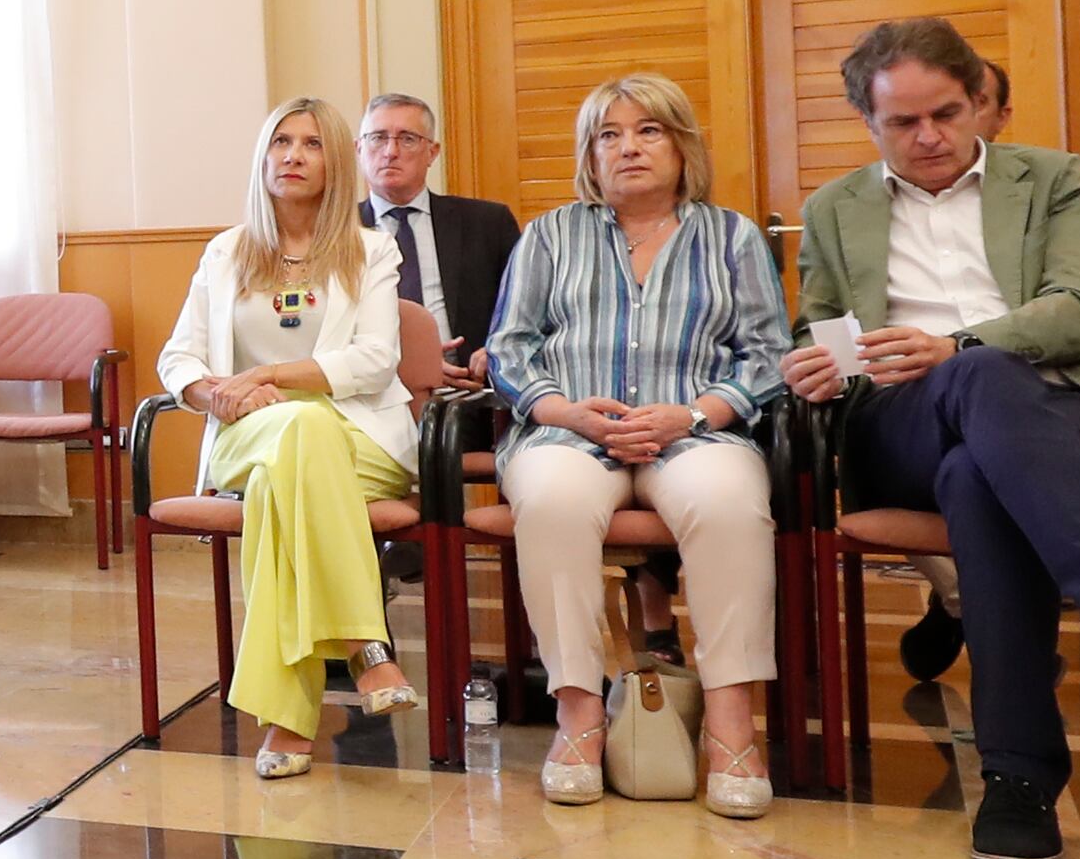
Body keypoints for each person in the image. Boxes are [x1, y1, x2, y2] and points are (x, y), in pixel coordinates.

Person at [782, 19, 1080, 859]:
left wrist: (958, 344)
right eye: (902, 123)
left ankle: (1017, 782)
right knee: (977, 386)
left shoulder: (1056, 181)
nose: (928, 137)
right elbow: (827, 331)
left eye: (946, 114)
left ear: (978, 106)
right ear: (869, 122)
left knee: (981, 461)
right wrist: (818, 366)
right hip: (901, 421)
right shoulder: (832, 208)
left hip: (1071, 419)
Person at [484, 75, 791, 818]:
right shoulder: (551, 234)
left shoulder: (731, 236)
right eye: (608, 134)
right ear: (589, 156)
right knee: (552, 500)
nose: (627, 147)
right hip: (568, 430)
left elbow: (767, 355)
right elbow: (508, 348)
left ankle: (730, 728)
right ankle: (580, 718)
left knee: (728, 504)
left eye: (648, 130)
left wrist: (689, 414)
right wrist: (569, 413)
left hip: (695, 431)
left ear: (683, 145)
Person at [157, 96, 420, 780]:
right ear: (263, 157)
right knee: (296, 432)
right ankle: (365, 642)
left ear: (335, 160)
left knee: (287, 480)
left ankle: (288, 718)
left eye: (311, 143)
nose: (293, 155)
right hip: (248, 432)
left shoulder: (370, 249)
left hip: (360, 438)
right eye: (281, 142)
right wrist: (216, 391)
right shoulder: (225, 252)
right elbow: (177, 358)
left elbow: (375, 361)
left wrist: (269, 373)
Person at [356, 92, 517, 381]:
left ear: (432, 152)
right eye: (378, 138)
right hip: (372, 387)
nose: (390, 151)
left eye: (406, 139)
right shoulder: (335, 233)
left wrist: (496, 350)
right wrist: (411, 364)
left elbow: (525, 311)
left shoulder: (488, 223)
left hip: (469, 385)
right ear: (359, 149)